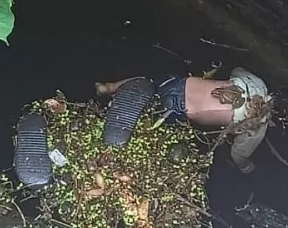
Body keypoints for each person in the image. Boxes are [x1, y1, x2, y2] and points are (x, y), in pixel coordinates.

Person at [96, 67, 272, 174]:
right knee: (153, 122)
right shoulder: (256, 128)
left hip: (176, 83)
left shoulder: (258, 84)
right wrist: (246, 167)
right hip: (175, 108)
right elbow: (237, 155)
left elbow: (237, 70)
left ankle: (107, 87)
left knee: (147, 81)